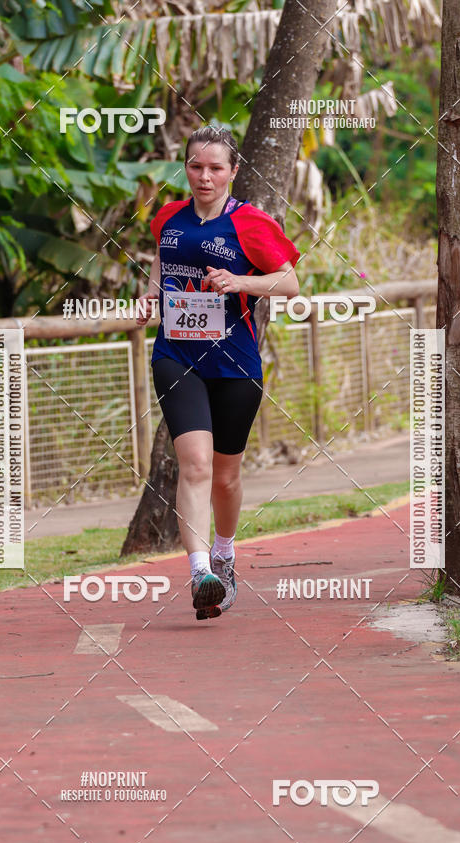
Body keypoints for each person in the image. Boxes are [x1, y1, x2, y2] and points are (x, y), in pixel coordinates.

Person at [137, 126, 300, 621]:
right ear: (185, 168)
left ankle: (225, 554)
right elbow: (164, 263)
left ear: (232, 172)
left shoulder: (250, 223)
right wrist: (151, 293)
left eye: (214, 168)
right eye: (195, 166)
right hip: (176, 355)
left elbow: (290, 282)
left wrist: (239, 281)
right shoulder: (168, 217)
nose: (204, 176)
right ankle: (200, 571)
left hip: (234, 362)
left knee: (225, 477)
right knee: (196, 466)